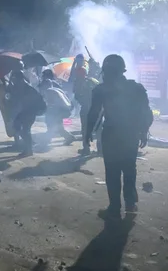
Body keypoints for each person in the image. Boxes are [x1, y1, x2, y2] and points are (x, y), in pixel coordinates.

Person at [86, 55, 153, 220]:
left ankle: (114, 207)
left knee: (112, 172)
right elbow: (146, 113)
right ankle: (130, 203)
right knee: (129, 169)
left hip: (111, 135)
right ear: (122, 70)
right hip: (130, 134)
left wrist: (88, 133)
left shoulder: (101, 90)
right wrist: (143, 131)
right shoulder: (136, 88)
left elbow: (94, 113)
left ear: (106, 72)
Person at [7, 70, 46, 156]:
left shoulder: (27, 88)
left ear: (19, 79)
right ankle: (29, 145)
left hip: (30, 112)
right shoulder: (20, 86)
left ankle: (29, 149)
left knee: (25, 130)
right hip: (25, 112)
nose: (13, 81)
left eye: (14, 79)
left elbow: (23, 102)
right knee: (18, 127)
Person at [39, 70, 75, 145]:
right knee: (58, 127)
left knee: (51, 124)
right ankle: (69, 137)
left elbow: (51, 105)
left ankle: (46, 140)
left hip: (58, 111)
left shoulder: (49, 91)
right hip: (64, 110)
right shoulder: (56, 88)